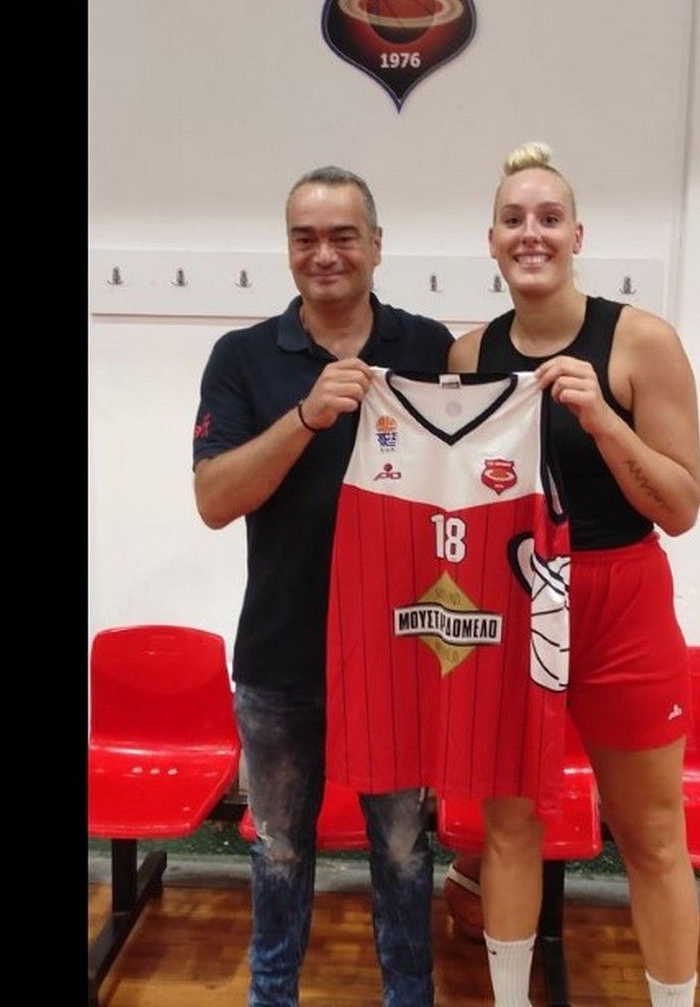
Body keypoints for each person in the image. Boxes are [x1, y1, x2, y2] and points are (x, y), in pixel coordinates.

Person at [447, 141, 700, 1007]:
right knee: (508, 826)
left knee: (652, 835)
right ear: (491, 240)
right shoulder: (467, 357)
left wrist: (603, 419)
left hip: (619, 597)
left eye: (549, 218)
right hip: (512, 598)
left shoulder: (639, 341)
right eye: (514, 220)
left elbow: (680, 506)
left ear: (576, 235)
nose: (532, 234)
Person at [193, 165, 455, 1007]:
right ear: (287, 249)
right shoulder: (241, 357)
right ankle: (271, 996)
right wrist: (305, 416)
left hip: (401, 653)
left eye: (343, 236)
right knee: (276, 848)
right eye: (305, 238)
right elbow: (214, 499)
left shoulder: (429, 347)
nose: (324, 254)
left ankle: (408, 996)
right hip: (280, 649)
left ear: (376, 245)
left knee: (405, 849)